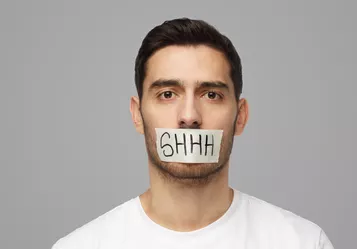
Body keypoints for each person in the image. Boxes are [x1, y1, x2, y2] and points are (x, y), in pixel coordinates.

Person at [52, 17, 334, 249]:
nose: (189, 116)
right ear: (137, 114)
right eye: (167, 94)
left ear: (240, 116)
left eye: (211, 94)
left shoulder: (302, 243)